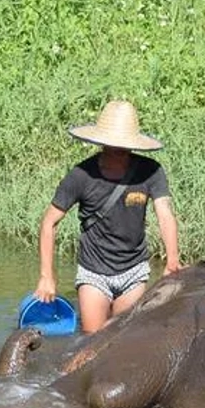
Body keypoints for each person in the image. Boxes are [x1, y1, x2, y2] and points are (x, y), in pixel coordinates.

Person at [33, 99, 180, 334]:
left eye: (123, 146)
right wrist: (46, 276)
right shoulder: (81, 175)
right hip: (94, 272)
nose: (118, 151)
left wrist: (172, 260)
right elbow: (49, 222)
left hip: (133, 271)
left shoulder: (151, 171)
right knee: (92, 340)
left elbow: (165, 214)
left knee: (121, 341)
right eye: (113, 145)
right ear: (101, 143)